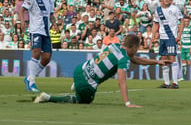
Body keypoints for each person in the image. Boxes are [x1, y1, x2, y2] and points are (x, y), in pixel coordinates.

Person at [34, 35, 169, 107]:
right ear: (133, 47)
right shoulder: (123, 59)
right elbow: (121, 82)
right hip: (87, 85)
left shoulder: (115, 45)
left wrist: (156, 62)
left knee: (85, 82)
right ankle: (48, 97)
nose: (137, 50)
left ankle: (77, 84)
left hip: (79, 70)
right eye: (137, 48)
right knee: (83, 102)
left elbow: (136, 59)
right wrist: (128, 103)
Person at [19, 0, 58, 93]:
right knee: (36, 51)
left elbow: (50, 14)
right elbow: (22, 10)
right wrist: (22, 22)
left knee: (46, 58)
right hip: (35, 29)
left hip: (46, 31)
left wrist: (54, 24)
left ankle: (29, 78)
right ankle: (32, 82)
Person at [152, 0, 184, 89]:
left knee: (172, 58)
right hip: (162, 37)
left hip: (171, 37)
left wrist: (179, 35)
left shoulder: (174, 9)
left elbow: (182, 21)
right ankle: (166, 82)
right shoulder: (158, 10)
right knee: (163, 59)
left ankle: (175, 83)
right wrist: (153, 35)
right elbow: (156, 23)